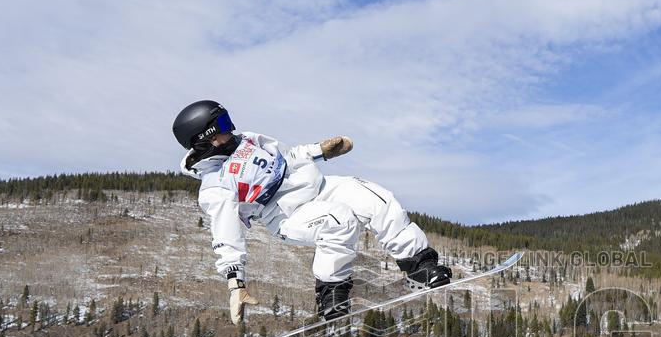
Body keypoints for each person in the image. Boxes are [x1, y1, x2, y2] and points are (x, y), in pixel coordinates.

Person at [172, 100, 452, 322]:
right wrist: (236, 282)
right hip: (286, 214)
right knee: (337, 220)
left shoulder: (246, 140)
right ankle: (332, 295)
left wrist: (321, 150)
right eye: (222, 124)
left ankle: (420, 268)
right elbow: (226, 233)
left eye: (227, 120)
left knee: (377, 199)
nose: (230, 128)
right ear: (206, 138)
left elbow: (287, 155)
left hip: (319, 185)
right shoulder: (215, 185)